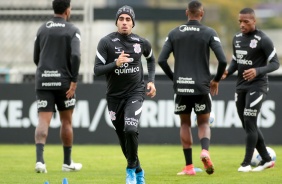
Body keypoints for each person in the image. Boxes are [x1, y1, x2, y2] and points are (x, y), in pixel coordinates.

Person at [158, 0, 227, 175]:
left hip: (182, 86)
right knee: (203, 122)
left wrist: (174, 78)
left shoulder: (174, 33)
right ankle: (205, 150)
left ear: (186, 12)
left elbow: (161, 60)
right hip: (201, 86)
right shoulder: (209, 32)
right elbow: (223, 60)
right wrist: (216, 80)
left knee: (185, 124)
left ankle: (189, 167)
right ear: (201, 14)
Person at [94, 5, 156, 184]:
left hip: (135, 93)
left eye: (128, 19)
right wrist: (116, 63)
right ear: (116, 22)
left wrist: (150, 81)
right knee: (123, 137)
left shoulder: (141, 42)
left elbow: (151, 59)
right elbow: (97, 70)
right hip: (114, 97)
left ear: (133, 23)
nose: (124, 22)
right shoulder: (105, 42)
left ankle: (130, 170)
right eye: (121, 19)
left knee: (130, 129)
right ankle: (139, 170)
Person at [221, 8, 279, 172]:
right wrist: (227, 71)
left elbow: (275, 63)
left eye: (246, 21)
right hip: (241, 86)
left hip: (258, 85)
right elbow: (235, 61)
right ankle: (266, 159)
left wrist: (257, 71)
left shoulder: (263, 39)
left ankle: (246, 163)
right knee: (247, 123)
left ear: (254, 21)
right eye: (240, 21)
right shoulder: (237, 39)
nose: (242, 24)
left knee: (249, 121)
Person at [33, 0, 82, 173]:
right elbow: (76, 55)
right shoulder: (72, 30)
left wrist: (45, 70)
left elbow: (35, 57)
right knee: (66, 121)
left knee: (42, 121)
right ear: (68, 10)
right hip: (64, 84)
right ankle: (67, 163)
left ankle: (40, 161)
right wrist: (74, 80)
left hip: (44, 81)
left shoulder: (42, 29)